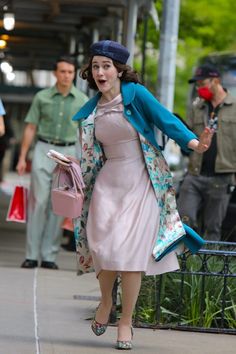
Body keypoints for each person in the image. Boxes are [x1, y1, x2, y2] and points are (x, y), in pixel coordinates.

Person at [72, 40, 212, 350]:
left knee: (132, 257)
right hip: (107, 183)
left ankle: (126, 322)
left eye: (106, 66)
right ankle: (106, 302)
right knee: (103, 248)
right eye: (95, 66)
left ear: (119, 71)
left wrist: (194, 144)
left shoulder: (135, 95)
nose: (100, 72)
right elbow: (89, 153)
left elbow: (166, 120)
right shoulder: (92, 109)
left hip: (142, 179)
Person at [16, 56, 88, 269]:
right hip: (43, 150)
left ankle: (49, 256)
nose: (66, 75)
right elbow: (30, 127)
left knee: (60, 204)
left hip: (67, 154)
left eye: (70, 72)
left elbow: (85, 132)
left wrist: (82, 162)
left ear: (74, 74)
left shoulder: (82, 100)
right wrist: (22, 157)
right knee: (38, 202)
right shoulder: (41, 97)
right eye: (62, 71)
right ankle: (31, 254)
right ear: (55, 73)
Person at [177, 64, 236, 241]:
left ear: (215, 81)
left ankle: (210, 265)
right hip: (194, 174)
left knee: (213, 227)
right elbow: (188, 136)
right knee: (184, 219)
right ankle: (185, 263)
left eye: (202, 83)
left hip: (222, 176)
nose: (198, 88)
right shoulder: (198, 107)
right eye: (197, 85)